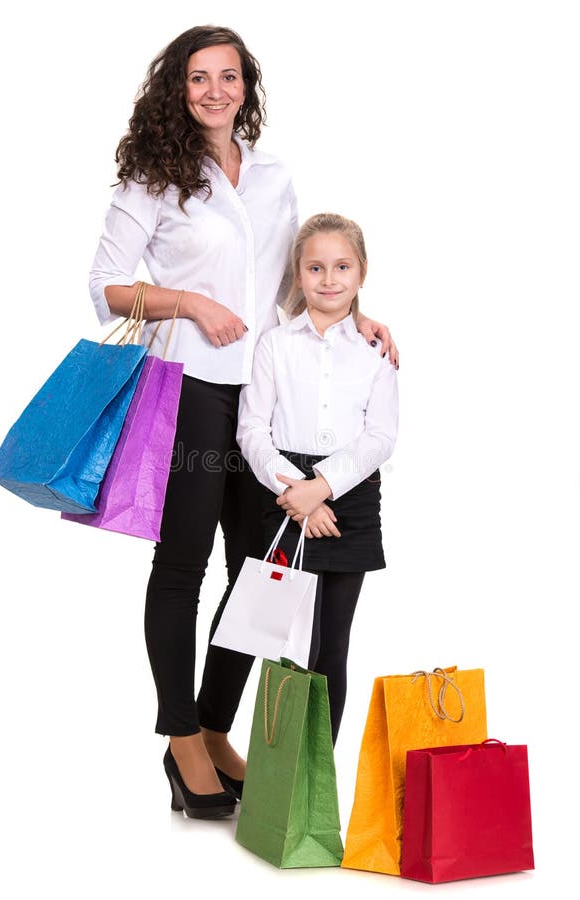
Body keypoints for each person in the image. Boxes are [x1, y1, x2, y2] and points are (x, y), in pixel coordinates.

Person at [88, 25, 399, 818]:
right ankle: (181, 736)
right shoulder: (153, 178)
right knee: (183, 565)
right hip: (191, 388)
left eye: (229, 76)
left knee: (259, 570)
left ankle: (215, 721)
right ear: (177, 88)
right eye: (199, 78)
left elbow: (295, 286)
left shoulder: (273, 177)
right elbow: (107, 288)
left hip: (265, 399)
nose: (215, 91)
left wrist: (356, 319)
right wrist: (187, 300)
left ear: (246, 88)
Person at [237, 213, 398, 744]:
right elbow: (252, 429)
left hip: (349, 497)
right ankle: (274, 784)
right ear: (298, 274)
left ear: (362, 272)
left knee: (332, 648)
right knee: (285, 643)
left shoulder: (376, 352)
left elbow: (379, 438)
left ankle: (314, 788)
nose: (329, 279)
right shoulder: (275, 346)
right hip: (282, 497)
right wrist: (294, 491)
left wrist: (322, 487)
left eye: (342, 266)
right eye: (315, 268)